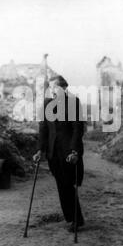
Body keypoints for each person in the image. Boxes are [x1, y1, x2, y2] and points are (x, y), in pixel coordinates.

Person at [33, 75, 85, 232]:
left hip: (68, 151)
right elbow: (43, 128)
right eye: (50, 87)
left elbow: (78, 129)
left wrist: (75, 151)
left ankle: (76, 219)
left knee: (68, 184)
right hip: (53, 152)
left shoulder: (73, 102)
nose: (52, 90)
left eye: (54, 87)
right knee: (62, 185)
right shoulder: (47, 103)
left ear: (63, 87)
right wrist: (39, 149)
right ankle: (72, 218)